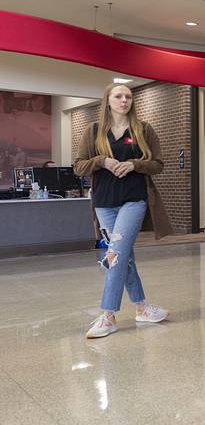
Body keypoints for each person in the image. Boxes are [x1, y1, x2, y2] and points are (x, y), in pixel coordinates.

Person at [73, 83, 172, 339]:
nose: (124, 100)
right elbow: (78, 167)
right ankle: (142, 308)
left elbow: (158, 164)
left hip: (134, 200)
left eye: (128, 96)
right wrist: (102, 161)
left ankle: (108, 316)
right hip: (104, 203)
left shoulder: (143, 130)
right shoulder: (93, 131)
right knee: (122, 255)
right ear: (107, 100)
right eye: (118, 96)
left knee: (115, 253)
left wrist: (133, 165)